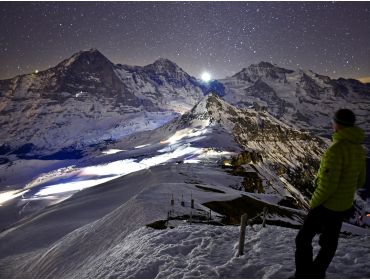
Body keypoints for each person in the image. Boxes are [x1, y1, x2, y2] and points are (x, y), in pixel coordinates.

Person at [294, 109, 366, 278]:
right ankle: (317, 274)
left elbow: (327, 185)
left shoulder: (335, 150)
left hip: (326, 205)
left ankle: (304, 275)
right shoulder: (358, 149)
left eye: (333, 121)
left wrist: (314, 203)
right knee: (329, 243)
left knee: (302, 239)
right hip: (344, 206)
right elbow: (360, 181)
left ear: (338, 125)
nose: (331, 124)